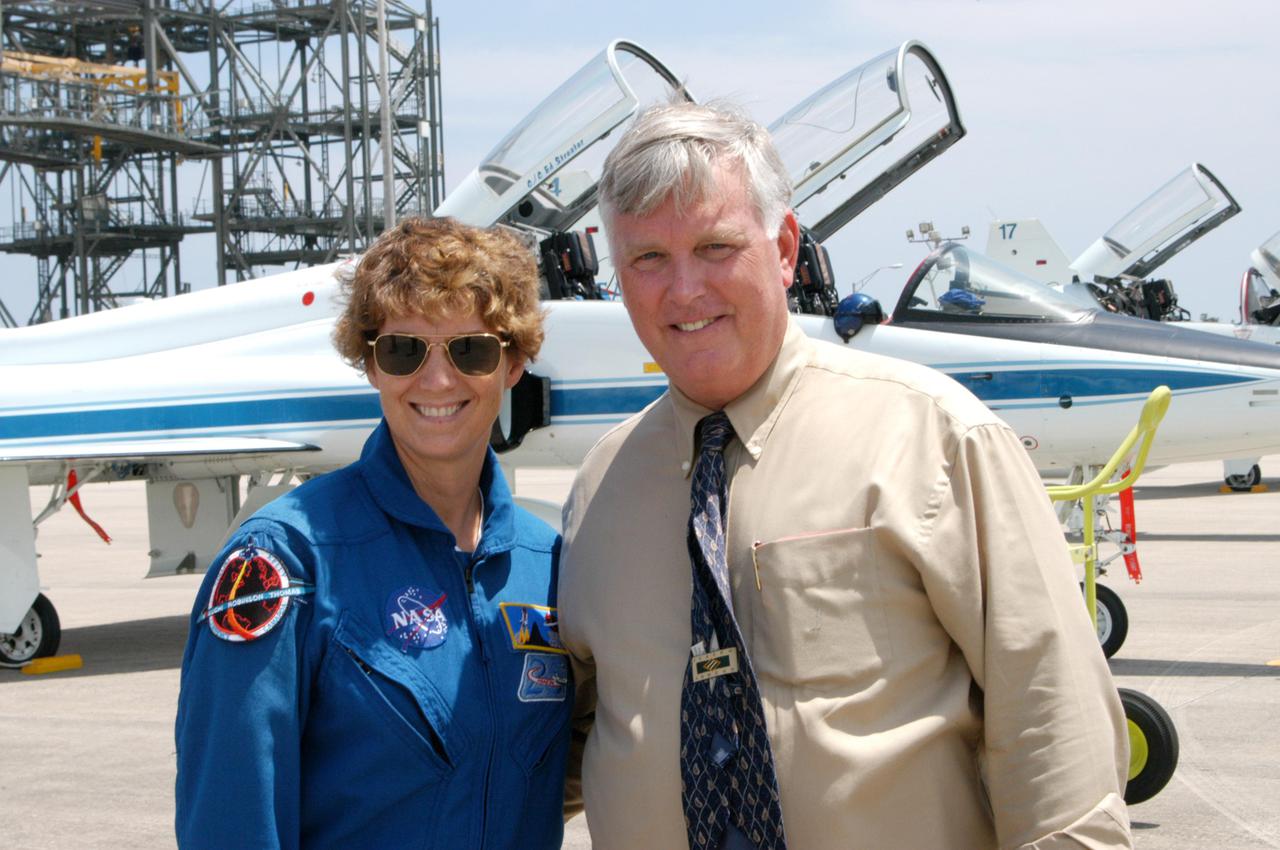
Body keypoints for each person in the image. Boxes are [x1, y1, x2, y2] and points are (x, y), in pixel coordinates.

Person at [559, 102, 1132, 849]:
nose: (685, 291)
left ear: (787, 248)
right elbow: (553, 740)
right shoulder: (600, 488)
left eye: (716, 246)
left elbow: (1056, 727)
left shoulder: (934, 437)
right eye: (648, 259)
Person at [175, 217, 572, 848]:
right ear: (371, 364)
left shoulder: (549, 564)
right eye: (403, 350)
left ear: (515, 362)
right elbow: (232, 817)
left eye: (470, 349)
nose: (437, 381)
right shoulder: (288, 560)